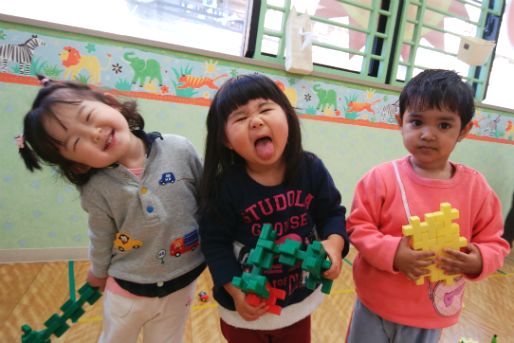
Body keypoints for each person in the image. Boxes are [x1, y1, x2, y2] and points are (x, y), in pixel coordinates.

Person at [18, 76, 205, 343]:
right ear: (78, 164)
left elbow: (207, 199)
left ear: (110, 103)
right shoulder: (96, 188)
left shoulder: (179, 148)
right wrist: (98, 271)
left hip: (182, 279)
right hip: (128, 288)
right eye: (76, 142)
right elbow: (101, 234)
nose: (94, 133)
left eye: (89, 116)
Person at [346, 69, 510, 342]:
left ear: (464, 130)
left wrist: (479, 259)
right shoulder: (381, 178)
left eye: (444, 125)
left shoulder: (475, 187)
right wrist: (393, 253)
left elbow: (495, 241)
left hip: (430, 312)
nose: (427, 134)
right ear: (402, 123)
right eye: (417, 122)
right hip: (376, 304)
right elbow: (358, 227)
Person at [199, 73, 349, 343]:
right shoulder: (226, 187)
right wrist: (236, 291)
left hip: (296, 302)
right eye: (241, 118)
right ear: (226, 140)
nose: (256, 120)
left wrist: (334, 245)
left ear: (288, 118)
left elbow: (332, 213)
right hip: (244, 309)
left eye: (265, 109)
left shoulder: (310, 169)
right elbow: (214, 243)